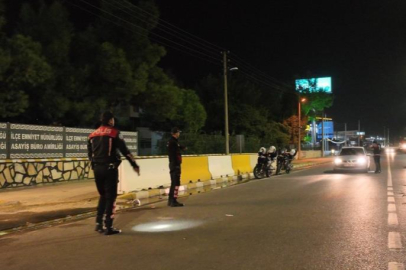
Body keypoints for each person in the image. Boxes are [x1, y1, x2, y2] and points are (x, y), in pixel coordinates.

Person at [88, 111, 140, 235]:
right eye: (113, 120)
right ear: (110, 120)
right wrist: (134, 165)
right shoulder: (114, 133)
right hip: (109, 169)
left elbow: (90, 155)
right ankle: (109, 226)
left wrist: (94, 166)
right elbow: (125, 151)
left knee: (103, 196)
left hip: (97, 170)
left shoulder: (92, 135)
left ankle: (98, 223)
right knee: (111, 197)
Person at [167, 127, 187, 207]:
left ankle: (170, 200)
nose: (179, 134)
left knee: (173, 182)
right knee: (176, 183)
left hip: (172, 164)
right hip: (175, 164)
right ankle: (174, 200)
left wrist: (181, 147)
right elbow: (176, 150)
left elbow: (178, 146)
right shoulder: (173, 142)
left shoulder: (172, 141)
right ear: (175, 133)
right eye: (178, 132)